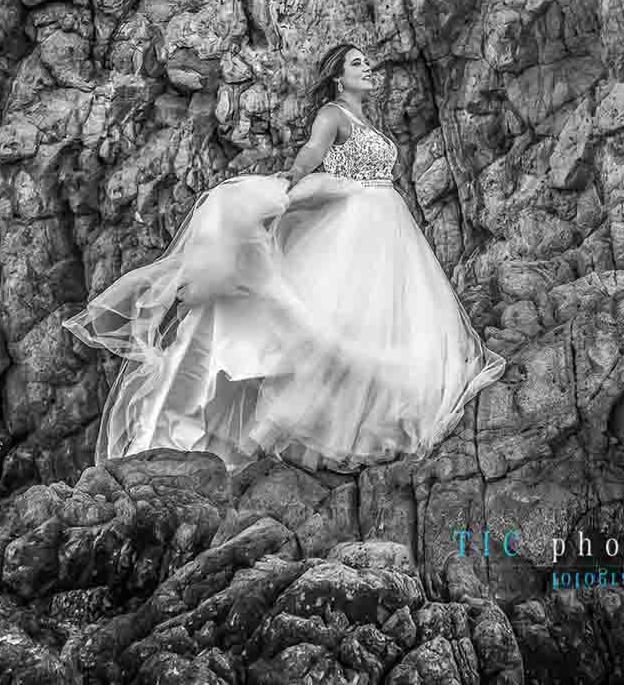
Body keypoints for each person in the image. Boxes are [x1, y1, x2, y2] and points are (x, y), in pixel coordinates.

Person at [63, 44, 508, 472]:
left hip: (387, 222)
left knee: (381, 317)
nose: (368, 68)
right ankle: (313, 428)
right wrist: (295, 175)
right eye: (358, 63)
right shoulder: (333, 114)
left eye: (367, 63)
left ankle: (372, 418)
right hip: (358, 222)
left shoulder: (363, 117)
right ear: (338, 77)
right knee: (336, 320)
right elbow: (315, 151)